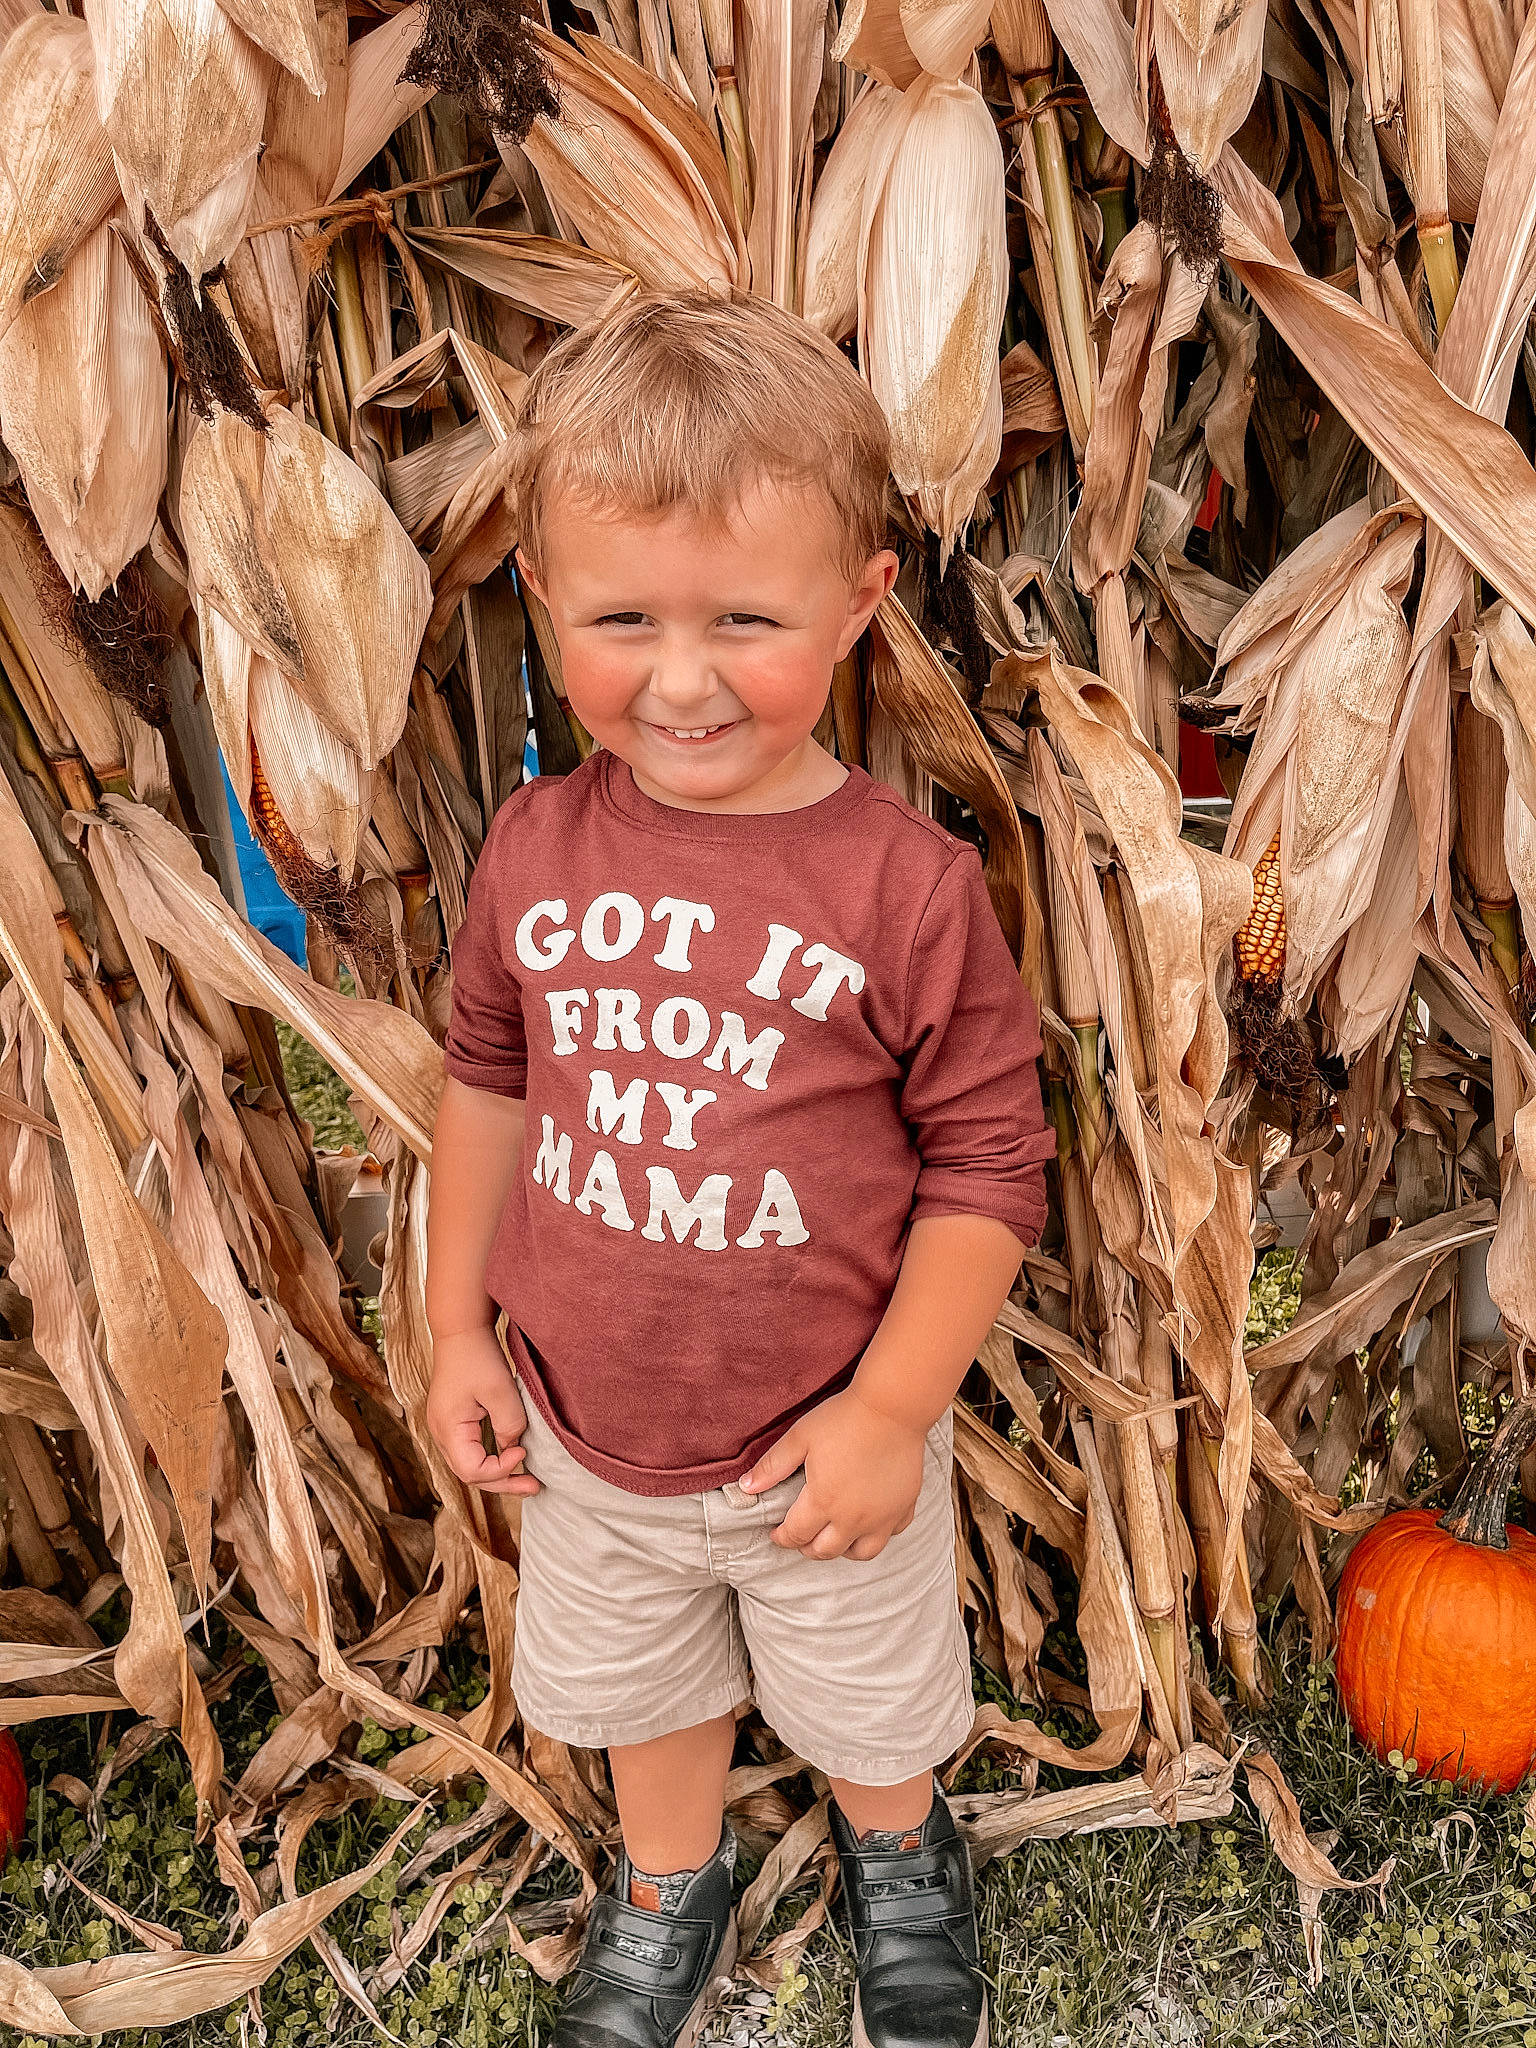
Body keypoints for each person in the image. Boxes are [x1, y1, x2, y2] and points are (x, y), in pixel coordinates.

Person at [425, 287, 1054, 2048]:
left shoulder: (902, 888)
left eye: (745, 622)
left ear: (860, 606)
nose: (680, 678)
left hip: (818, 1437)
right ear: (543, 599)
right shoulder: (534, 851)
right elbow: (488, 1081)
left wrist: (890, 1411)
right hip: (590, 1436)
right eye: (623, 617)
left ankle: (902, 1850)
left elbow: (993, 1163)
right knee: (644, 1696)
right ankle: (665, 1882)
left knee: (870, 1702)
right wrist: (456, 1331)